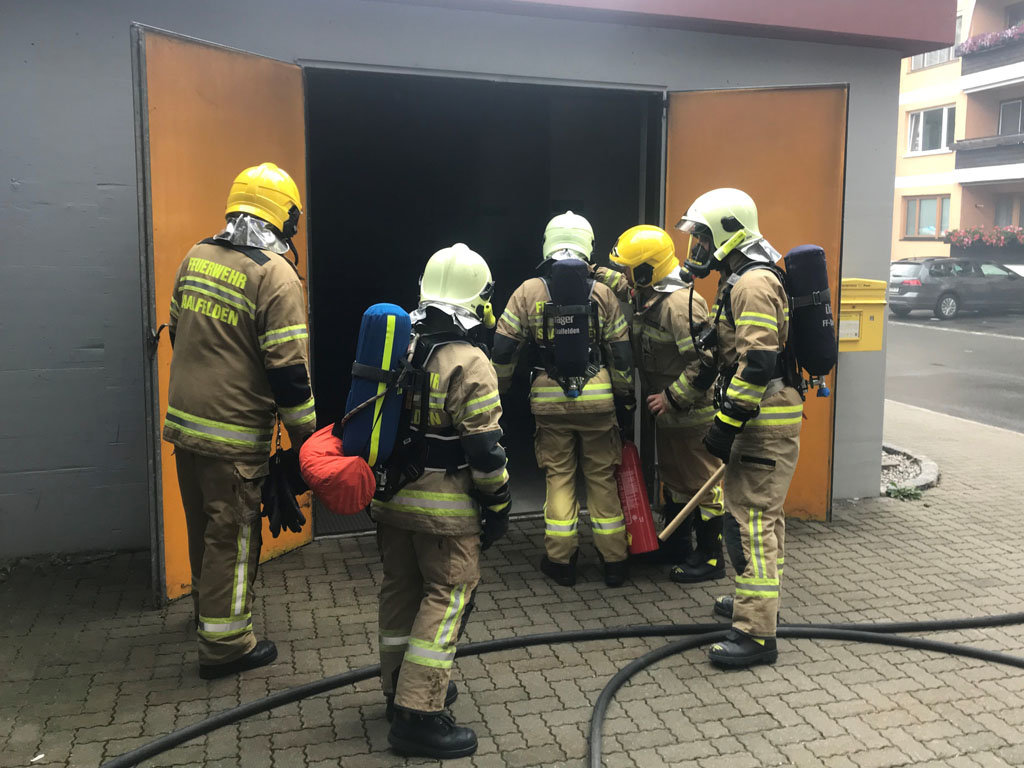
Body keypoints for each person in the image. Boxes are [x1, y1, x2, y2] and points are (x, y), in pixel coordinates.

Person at [164, 162, 316, 679]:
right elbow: (289, 372)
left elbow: (177, 330)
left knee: (205, 527)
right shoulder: (275, 275)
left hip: (186, 426)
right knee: (231, 537)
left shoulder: (196, 256)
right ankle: (226, 646)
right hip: (233, 437)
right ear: (285, 218)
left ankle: (207, 614)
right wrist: (307, 442)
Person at [373, 244, 510, 759]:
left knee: (401, 592)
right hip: (445, 514)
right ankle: (419, 715)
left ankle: (397, 690)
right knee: (448, 597)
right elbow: (485, 450)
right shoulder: (471, 362)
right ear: (479, 299)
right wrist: (498, 505)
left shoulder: (401, 347)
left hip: (391, 501)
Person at [675, 188, 803, 668]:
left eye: (703, 237)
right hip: (761, 419)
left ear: (728, 234)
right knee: (760, 519)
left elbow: (758, 364)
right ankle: (757, 602)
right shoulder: (740, 279)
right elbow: (722, 354)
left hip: (762, 422)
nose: (698, 248)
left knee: (751, 525)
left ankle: (756, 635)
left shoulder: (751, 284)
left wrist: (726, 425)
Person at [492, 211, 633, 588]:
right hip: (598, 399)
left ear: (548, 243)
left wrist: (499, 391)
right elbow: (621, 353)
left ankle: (561, 561)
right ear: (588, 245)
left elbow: (504, 348)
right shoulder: (602, 292)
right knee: (601, 478)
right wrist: (624, 396)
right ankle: (614, 562)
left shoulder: (528, 291)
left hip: (549, 400)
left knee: (559, 478)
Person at [608, 225, 725, 583]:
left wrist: (672, 397)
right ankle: (677, 546)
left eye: (630, 270)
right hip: (671, 416)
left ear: (648, 271)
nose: (627, 277)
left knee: (703, 484)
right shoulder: (651, 294)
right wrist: (591, 271)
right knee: (675, 480)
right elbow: (622, 286)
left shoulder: (678, 305)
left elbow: (706, 363)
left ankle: (711, 557)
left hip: (692, 415)